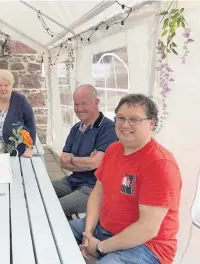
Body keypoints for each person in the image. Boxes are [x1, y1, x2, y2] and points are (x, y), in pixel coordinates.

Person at [70, 94, 182, 264]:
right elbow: (97, 193)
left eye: (134, 119)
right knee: (53, 232)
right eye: (120, 118)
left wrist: (100, 247)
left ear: (151, 123)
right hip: (104, 227)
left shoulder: (160, 164)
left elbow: (147, 228)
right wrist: (88, 234)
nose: (125, 124)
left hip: (147, 246)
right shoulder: (114, 149)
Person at [52, 84, 117, 218]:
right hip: (72, 181)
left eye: (84, 104)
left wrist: (72, 159)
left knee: (55, 208)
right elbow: (62, 161)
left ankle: (66, 235)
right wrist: (85, 161)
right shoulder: (76, 128)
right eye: (76, 104)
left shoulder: (109, 128)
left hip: (93, 188)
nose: (79, 109)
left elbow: (93, 163)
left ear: (96, 102)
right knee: (40, 191)